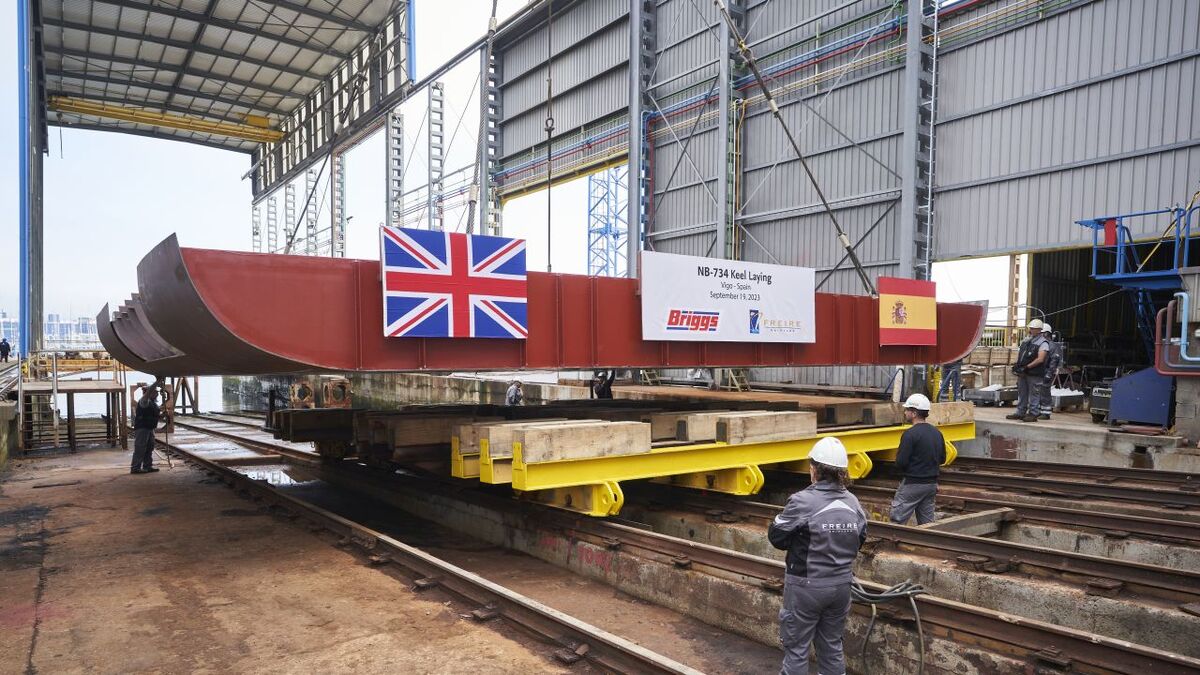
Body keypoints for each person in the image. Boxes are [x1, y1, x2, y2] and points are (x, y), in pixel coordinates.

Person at [769, 437, 867, 675]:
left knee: (797, 648)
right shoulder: (853, 502)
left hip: (806, 587)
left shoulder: (803, 500)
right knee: (832, 647)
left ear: (814, 469)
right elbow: (860, 537)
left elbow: (777, 537)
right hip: (841, 587)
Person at [889, 393, 945, 525]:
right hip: (931, 485)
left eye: (907, 410)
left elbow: (901, 462)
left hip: (912, 484)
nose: (905, 412)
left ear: (914, 413)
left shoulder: (910, 434)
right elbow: (942, 459)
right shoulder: (937, 433)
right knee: (927, 524)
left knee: (896, 523)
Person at [1009, 319, 1050, 423]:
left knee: (1034, 394)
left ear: (1039, 330)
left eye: (1033, 328)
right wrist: (1017, 365)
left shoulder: (1043, 343)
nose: (1031, 330)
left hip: (1034, 373)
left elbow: (1040, 359)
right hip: (1023, 372)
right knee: (1022, 393)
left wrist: (1027, 367)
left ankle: (1033, 413)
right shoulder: (1027, 341)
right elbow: (1022, 355)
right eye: (1030, 328)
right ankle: (1020, 412)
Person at [131, 384, 161, 474]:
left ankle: (147, 466)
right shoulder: (144, 401)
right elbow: (148, 393)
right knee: (140, 448)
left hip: (150, 428)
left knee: (149, 447)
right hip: (142, 428)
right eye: (155, 392)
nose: (157, 394)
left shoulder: (153, 403)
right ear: (149, 393)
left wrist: (163, 415)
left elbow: (153, 415)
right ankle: (135, 468)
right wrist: (157, 382)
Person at [1037, 324, 1063, 421]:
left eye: (1041, 333)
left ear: (1046, 333)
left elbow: (1054, 361)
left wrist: (1049, 373)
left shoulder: (1052, 346)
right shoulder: (1042, 344)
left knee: (1045, 392)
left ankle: (1046, 413)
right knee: (1038, 392)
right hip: (1039, 372)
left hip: (1046, 372)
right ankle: (1038, 411)